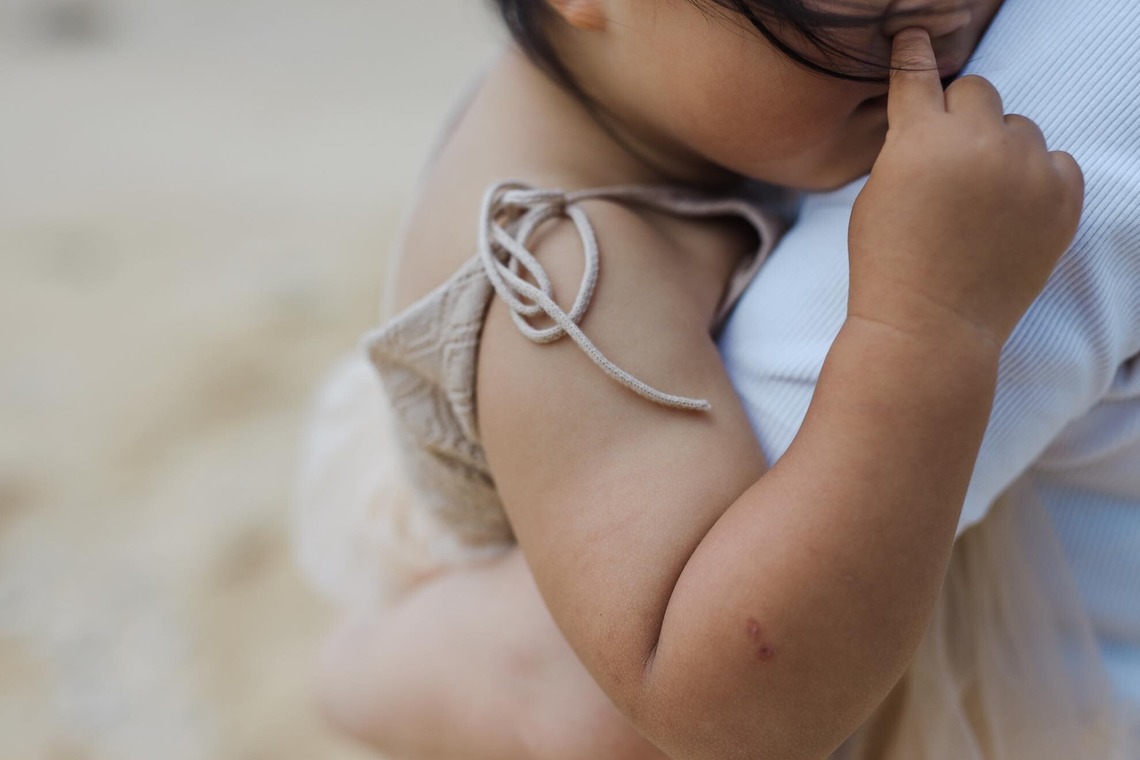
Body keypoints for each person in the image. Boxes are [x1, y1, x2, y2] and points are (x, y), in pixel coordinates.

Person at [293, 1, 1115, 758]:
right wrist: (930, 325)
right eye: (869, 7)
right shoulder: (569, 282)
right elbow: (726, 706)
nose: (949, 23)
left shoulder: (639, 94)